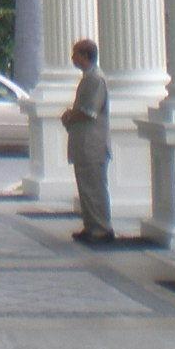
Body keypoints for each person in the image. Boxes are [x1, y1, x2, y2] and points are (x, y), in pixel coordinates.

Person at [60, 37, 113, 244]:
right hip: (84, 143)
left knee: (95, 187)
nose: (73, 58)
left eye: (75, 54)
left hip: (93, 144)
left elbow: (90, 111)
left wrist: (70, 116)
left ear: (85, 56)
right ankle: (91, 225)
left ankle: (101, 228)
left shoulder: (95, 79)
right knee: (86, 187)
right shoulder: (88, 78)